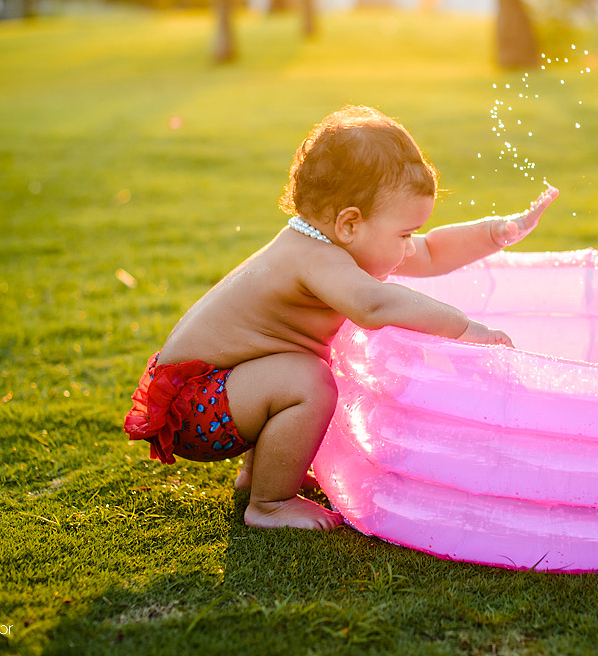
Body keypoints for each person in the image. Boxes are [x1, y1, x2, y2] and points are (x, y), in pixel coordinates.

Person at [125, 106, 558, 529]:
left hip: (220, 394)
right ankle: (269, 504)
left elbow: (430, 252)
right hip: (196, 408)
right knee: (308, 379)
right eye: (405, 233)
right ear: (350, 223)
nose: (411, 246)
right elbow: (376, 305)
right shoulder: (314, 258)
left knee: (299, 371)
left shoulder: (328, 241)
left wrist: (496, 232)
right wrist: (467, 330)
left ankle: (260, 475)